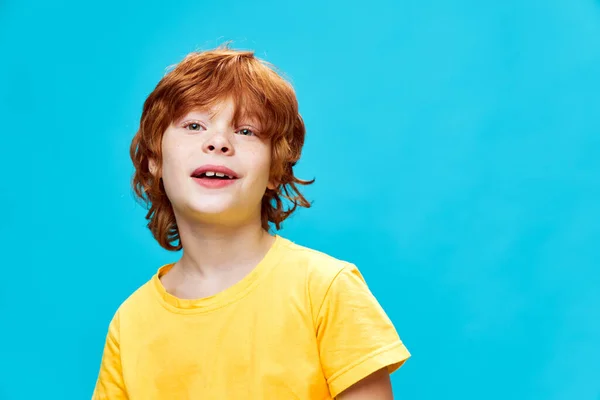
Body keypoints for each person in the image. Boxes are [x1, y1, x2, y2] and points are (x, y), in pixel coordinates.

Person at [92, 45, 410, 399]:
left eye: (246, 131)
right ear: (155, 160)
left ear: (275, 168)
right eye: (194, 125)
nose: (218, 142)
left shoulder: (326, 289)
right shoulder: (130, 322)